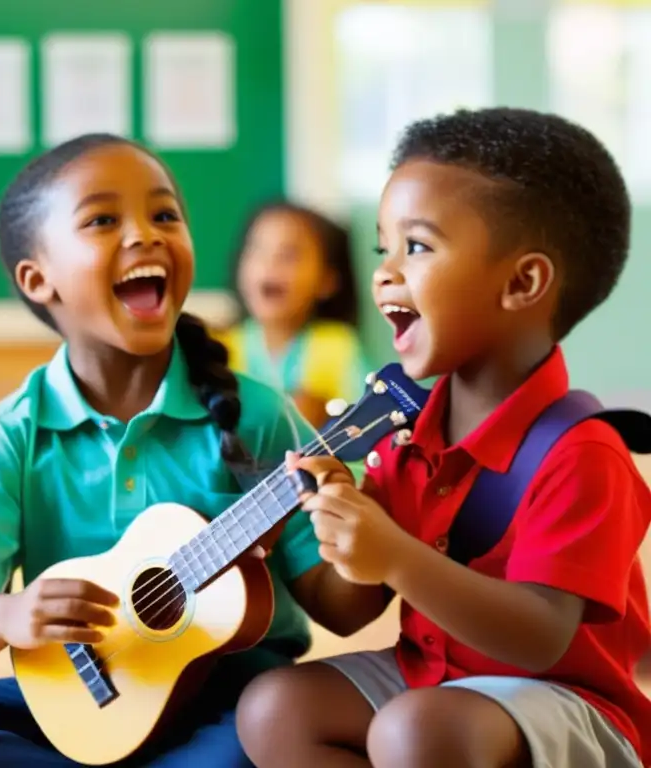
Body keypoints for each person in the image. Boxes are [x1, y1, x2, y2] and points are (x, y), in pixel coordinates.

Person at [0, 134, 389, 767]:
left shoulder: (258, 414)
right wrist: (9, 614)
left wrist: (369, 533)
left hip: (227, 701)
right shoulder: (14, 432)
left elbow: (344, 611)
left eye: (165, 215)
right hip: (85, 697)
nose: (146, 235)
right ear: (37, 278)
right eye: (103, 220)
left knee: (269, 729)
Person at [235, 107, 651, 768]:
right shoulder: (408, 438)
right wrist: (320, 529)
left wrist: (396, 555)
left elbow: (539, 638)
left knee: (415, 731)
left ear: (523, 283)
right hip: (435, 686)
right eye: (383, 248)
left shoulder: (583, 454)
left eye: (417, 246)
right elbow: (349, 611)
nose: (384, 272)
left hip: (567, 707)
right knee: (274, 707)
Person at [217, 202, 370, 428]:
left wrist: (328, 412)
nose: (270, 264)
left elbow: (368, 421)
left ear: (327, 280)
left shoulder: (340, 347)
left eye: (289, 255)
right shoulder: (219, 349)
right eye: (256, 250)